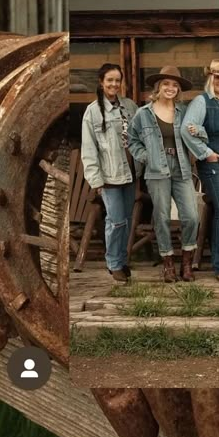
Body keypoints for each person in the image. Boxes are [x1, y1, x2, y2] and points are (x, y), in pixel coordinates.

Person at [128, 64, 200, 282]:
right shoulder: (143, 114)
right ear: (158, 87)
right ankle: (168, 264)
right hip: (157, 169)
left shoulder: (185, 111)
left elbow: (198, 133)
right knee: (161, 217)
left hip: (181, 166)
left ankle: (186, 264)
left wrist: (199, 131)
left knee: (191, 216)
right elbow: (132, 141)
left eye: (175, 85)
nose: (170, 88)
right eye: (166, 84)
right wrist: (147, 157)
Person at [180, 59, 219, 282]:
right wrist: (205, 152)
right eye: (217, 77)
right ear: (210, 78)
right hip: (216, 163)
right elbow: (186, 130)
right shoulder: (202, 101)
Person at [80, 63, 139, 284]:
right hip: (110, 175)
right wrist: (95, 180)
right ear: (101, 82)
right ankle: (113, 262)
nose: (114, 84)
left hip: (131, 172)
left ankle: (123, 260)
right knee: (115, 221)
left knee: (127, 218)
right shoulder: (93, 111)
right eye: (110, 80)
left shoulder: (130, 106)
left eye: (117, 80)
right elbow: (89, 149)